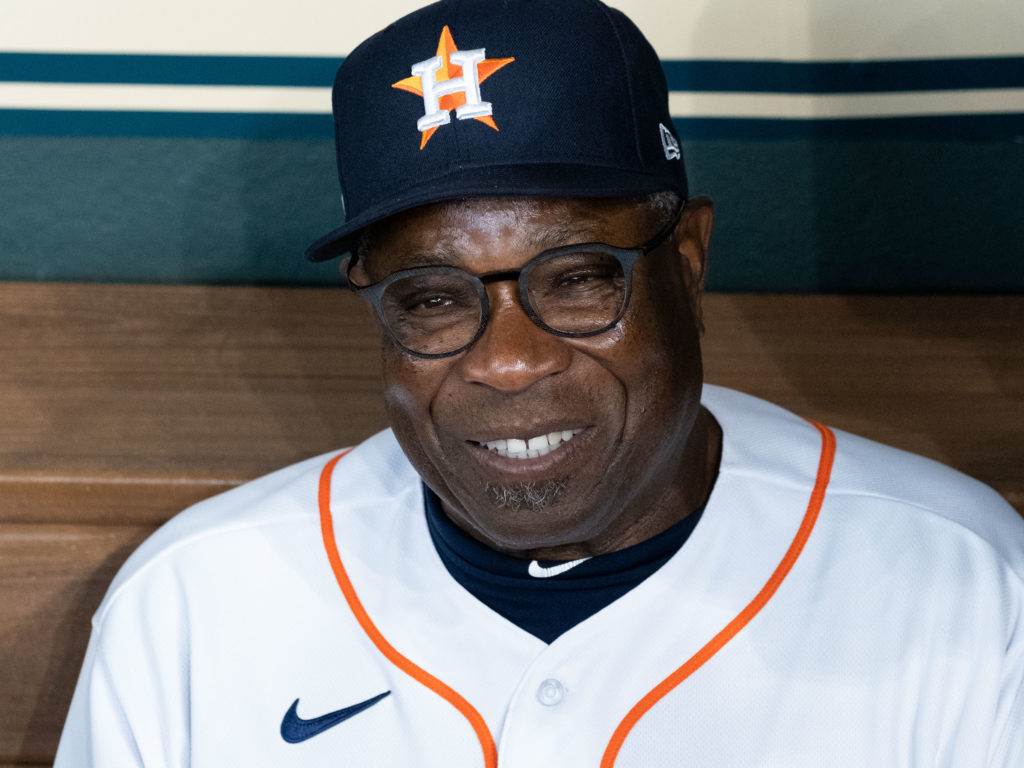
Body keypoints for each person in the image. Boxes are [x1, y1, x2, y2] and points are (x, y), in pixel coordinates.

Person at [55, 0, 1023, 765]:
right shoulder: (194, 605)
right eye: (432, 299)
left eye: (575, 279)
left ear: (686, 262)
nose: (507, 362)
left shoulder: (964, 586)